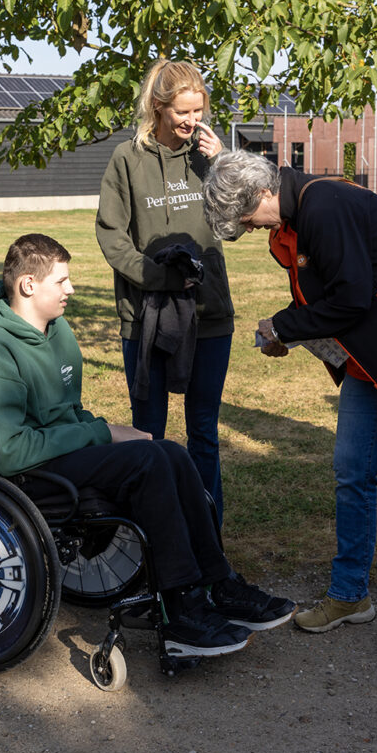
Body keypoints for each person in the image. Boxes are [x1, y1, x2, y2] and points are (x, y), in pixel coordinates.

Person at [0, 233, 296, 658]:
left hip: (59, 454)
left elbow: (68, 413)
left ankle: (217, 583)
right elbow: (10, 452)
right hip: (24, 474)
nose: (70, 289)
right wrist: (103, 433)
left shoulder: (56, 332)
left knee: (171, 452)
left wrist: (102, 429)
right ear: (28, 285)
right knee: (147, 461)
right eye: (61, 281)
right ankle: (181, 611)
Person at [202, 151, 377, 660]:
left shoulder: (324, 205)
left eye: (245, 219)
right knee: (351, 472)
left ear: (263, 193)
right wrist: (288, 331)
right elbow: (322, 297)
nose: (248, 229)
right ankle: (350, 595)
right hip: (371, 359)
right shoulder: (294, 220)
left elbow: (351, 297)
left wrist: (284, 327)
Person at [96, 60, 234, 524]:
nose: (193, 121)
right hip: (146, 317)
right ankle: (153, 534)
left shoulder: (207, 156)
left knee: (204, 434)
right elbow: (112, 236)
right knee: (148, 435)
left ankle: (207, 534)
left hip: (208, 314)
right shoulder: (126, 159)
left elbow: (237, 224)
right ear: (158, 107)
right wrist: (159, 277)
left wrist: (222, 165)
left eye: (198, 111)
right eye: (182, 112)